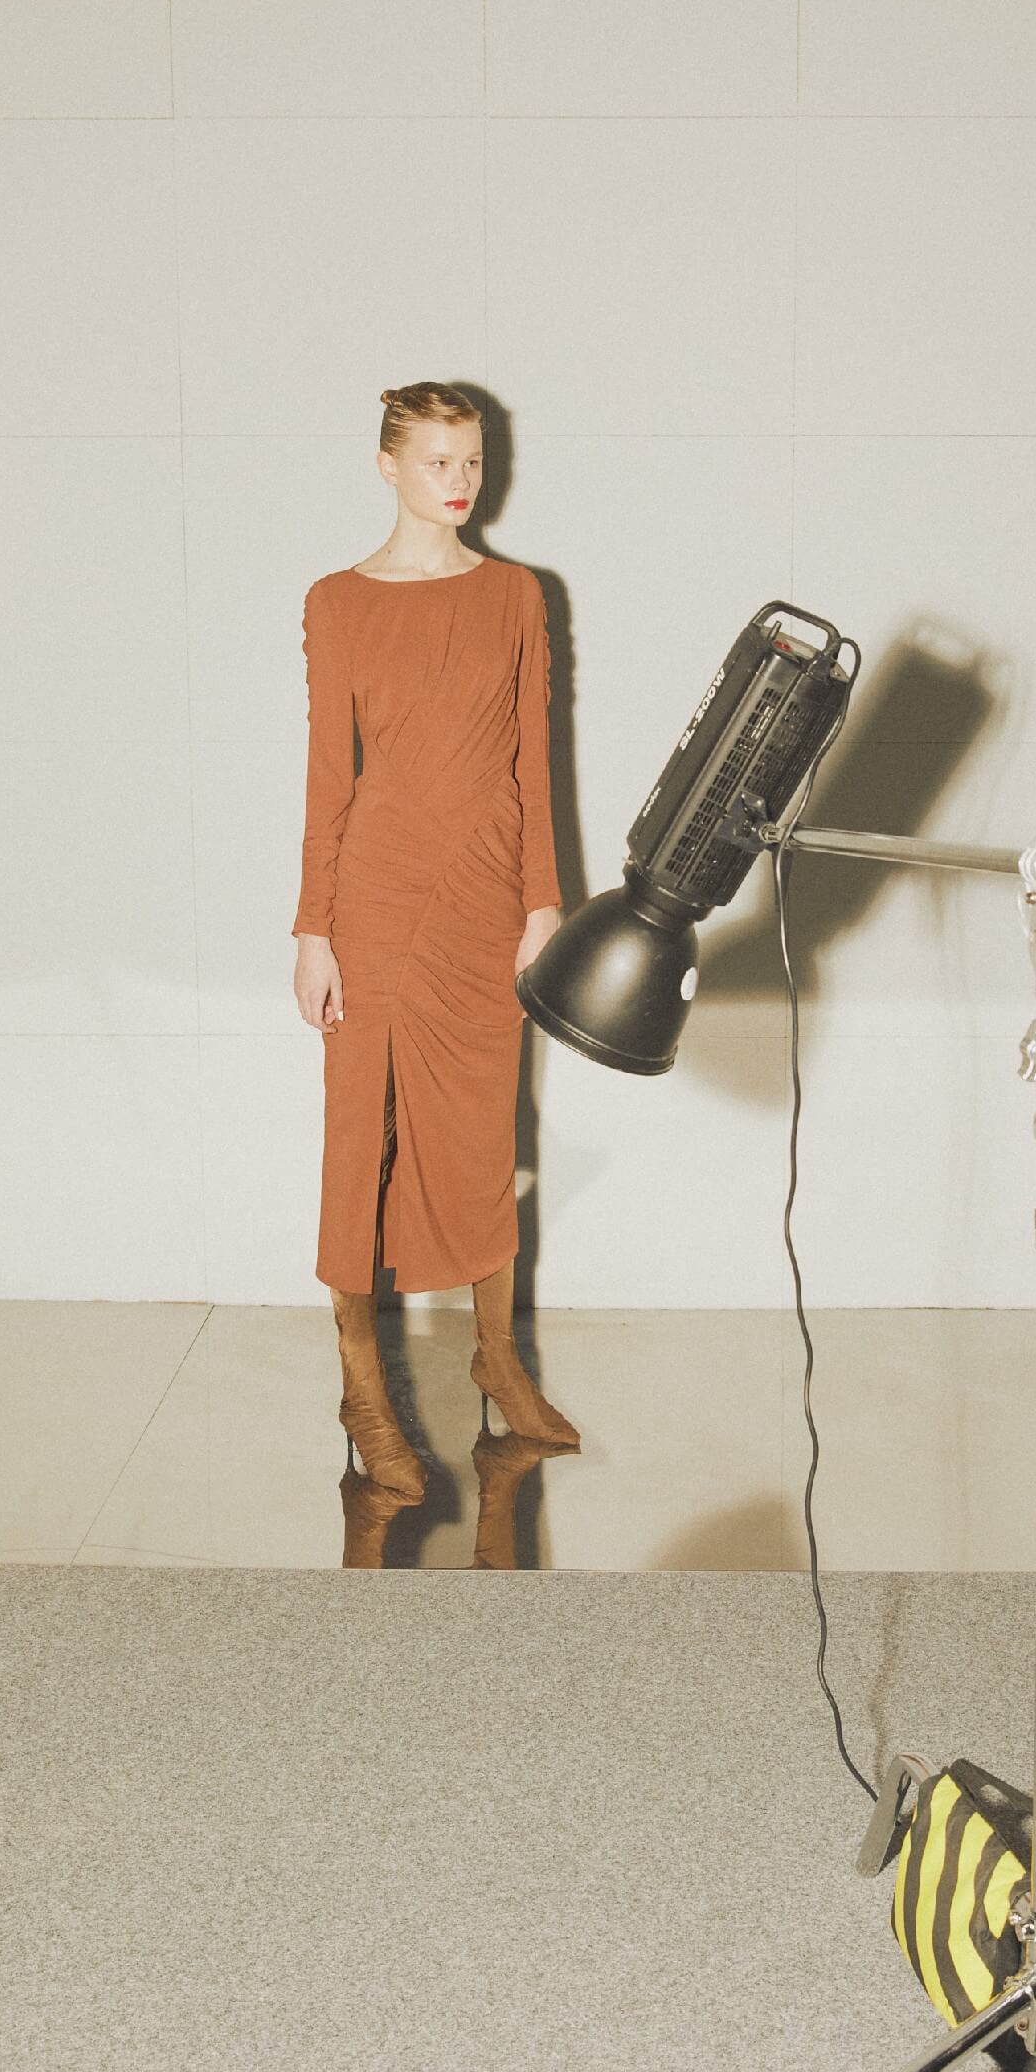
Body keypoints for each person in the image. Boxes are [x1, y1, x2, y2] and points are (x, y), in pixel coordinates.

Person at [292, 382, 580, 1507]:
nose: (460, 482)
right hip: (374, 902)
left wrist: (543, 903)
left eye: (472, 460)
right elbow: (330, 777)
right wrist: (313, 928)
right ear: (388, 467)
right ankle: (364, 1392)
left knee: (481, 1135)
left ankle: (497, 1363)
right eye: (437, 462)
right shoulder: (336, 602)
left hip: (486, 902)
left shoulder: (515, 594)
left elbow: (534, 762)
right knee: (356, 1142)